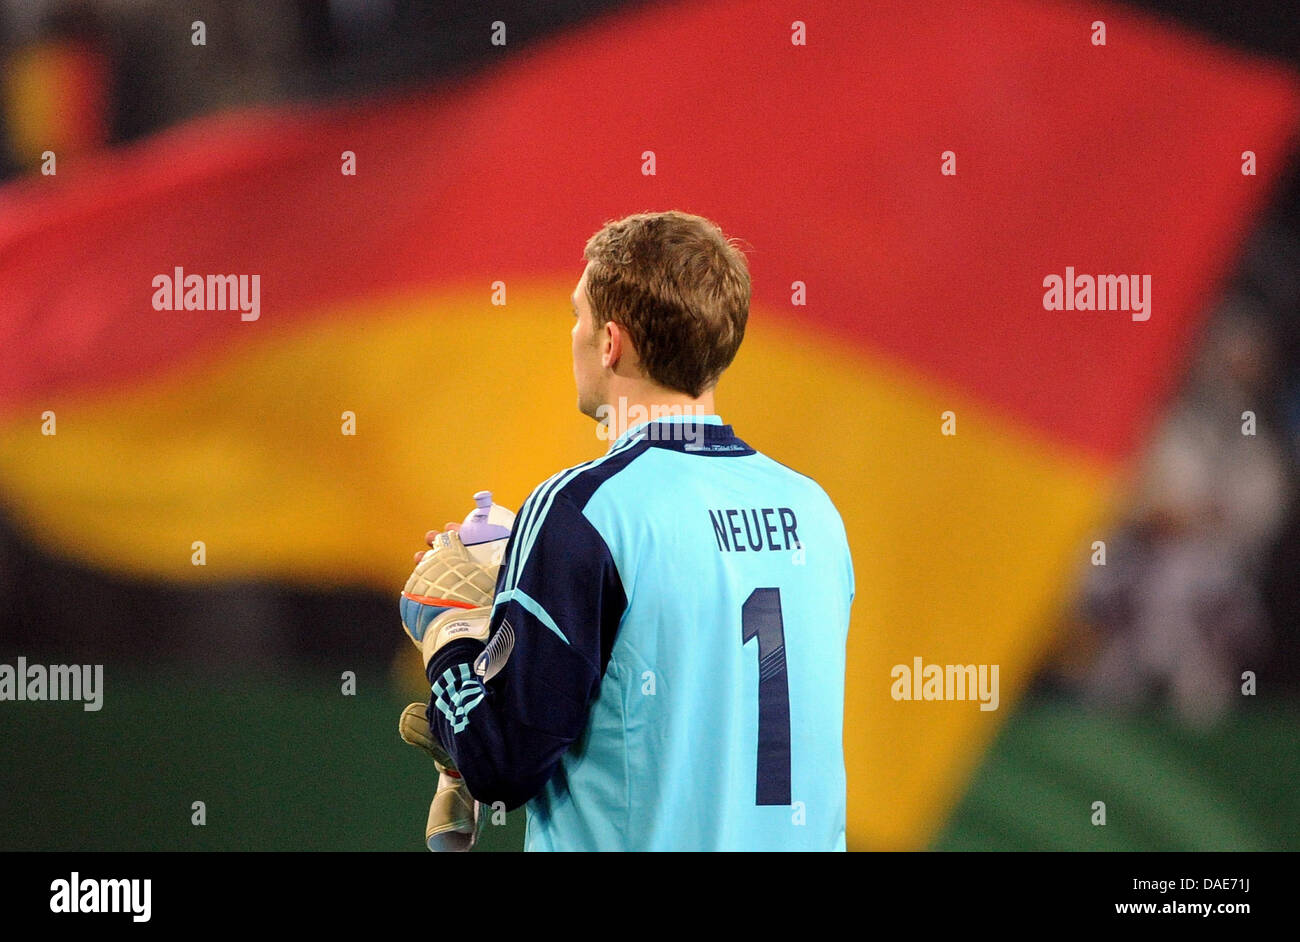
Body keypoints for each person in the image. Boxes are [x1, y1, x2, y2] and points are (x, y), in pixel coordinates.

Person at [400, 210, 855, 850]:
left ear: (610, 342)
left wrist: (448, 633)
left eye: (578, 315)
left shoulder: (583, 510)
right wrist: (524, 579)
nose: (574, 334)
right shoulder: (815, 512)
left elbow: (502, 764)